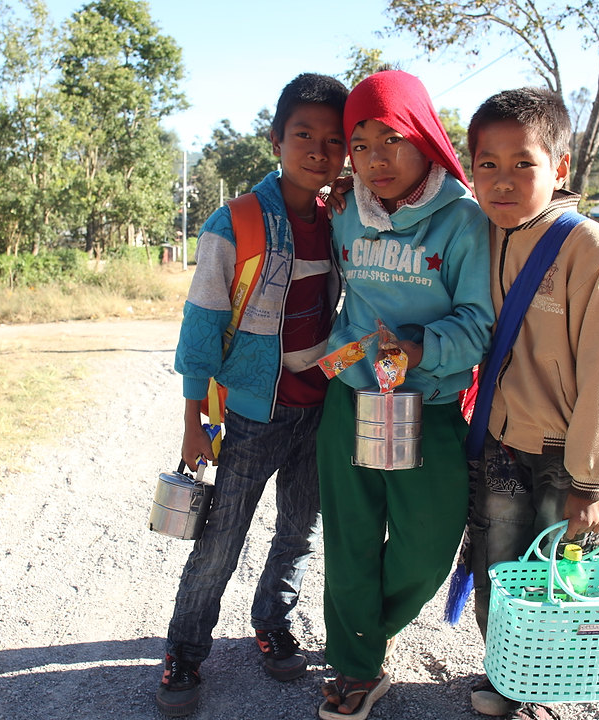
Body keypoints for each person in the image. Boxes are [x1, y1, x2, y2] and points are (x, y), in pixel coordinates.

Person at [155, 72, 348, 718]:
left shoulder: (340, 219)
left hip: (317, 410)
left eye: (332, 140)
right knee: (221, 539)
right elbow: (202, 327)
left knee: (299, 533)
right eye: (303, 135)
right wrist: (192, 419)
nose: (318, 151)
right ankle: (184, 649)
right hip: (249, 415)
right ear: (275, 139)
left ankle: (273, 621)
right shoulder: (233, 221)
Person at [462, 87, 599, 719]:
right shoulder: (480, 237)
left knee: (558, 579)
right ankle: (503, 671)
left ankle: (544, 685)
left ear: (561, 167)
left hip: (561, 457)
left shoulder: (594, 254)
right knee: (497, 563)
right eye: (487, 164)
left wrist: (591, 482)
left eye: (524, 163)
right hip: (498, 443)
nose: (504, 180)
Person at [316, 69, 494, 720]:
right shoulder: (344, 211)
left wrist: (420, 350)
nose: (374, 159)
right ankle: (358, 665)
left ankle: (364, 629)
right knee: (351, 538)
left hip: (430, 406)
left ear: (423, 136)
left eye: (389, 139)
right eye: (358, 145)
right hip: (354, 397)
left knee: (426, 547)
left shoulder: (463, 223)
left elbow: (479, 323)